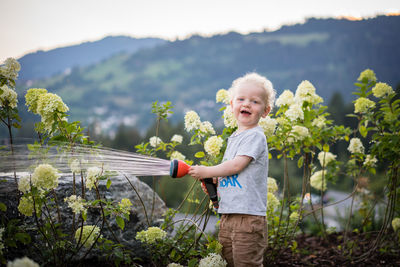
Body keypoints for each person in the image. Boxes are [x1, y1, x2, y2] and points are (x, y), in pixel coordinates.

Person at [189, 72, 276, 267]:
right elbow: (237, 173)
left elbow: (237, 165)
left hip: (248, 218)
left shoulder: (255, 136)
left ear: (265, 111)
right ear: (232, 105)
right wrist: (216, 183)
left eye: (254, 101)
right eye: (241, 99)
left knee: (246, 264)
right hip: (229, 215)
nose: (246, 104)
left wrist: (208, 171)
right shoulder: (236, 137)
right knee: (229, 262)